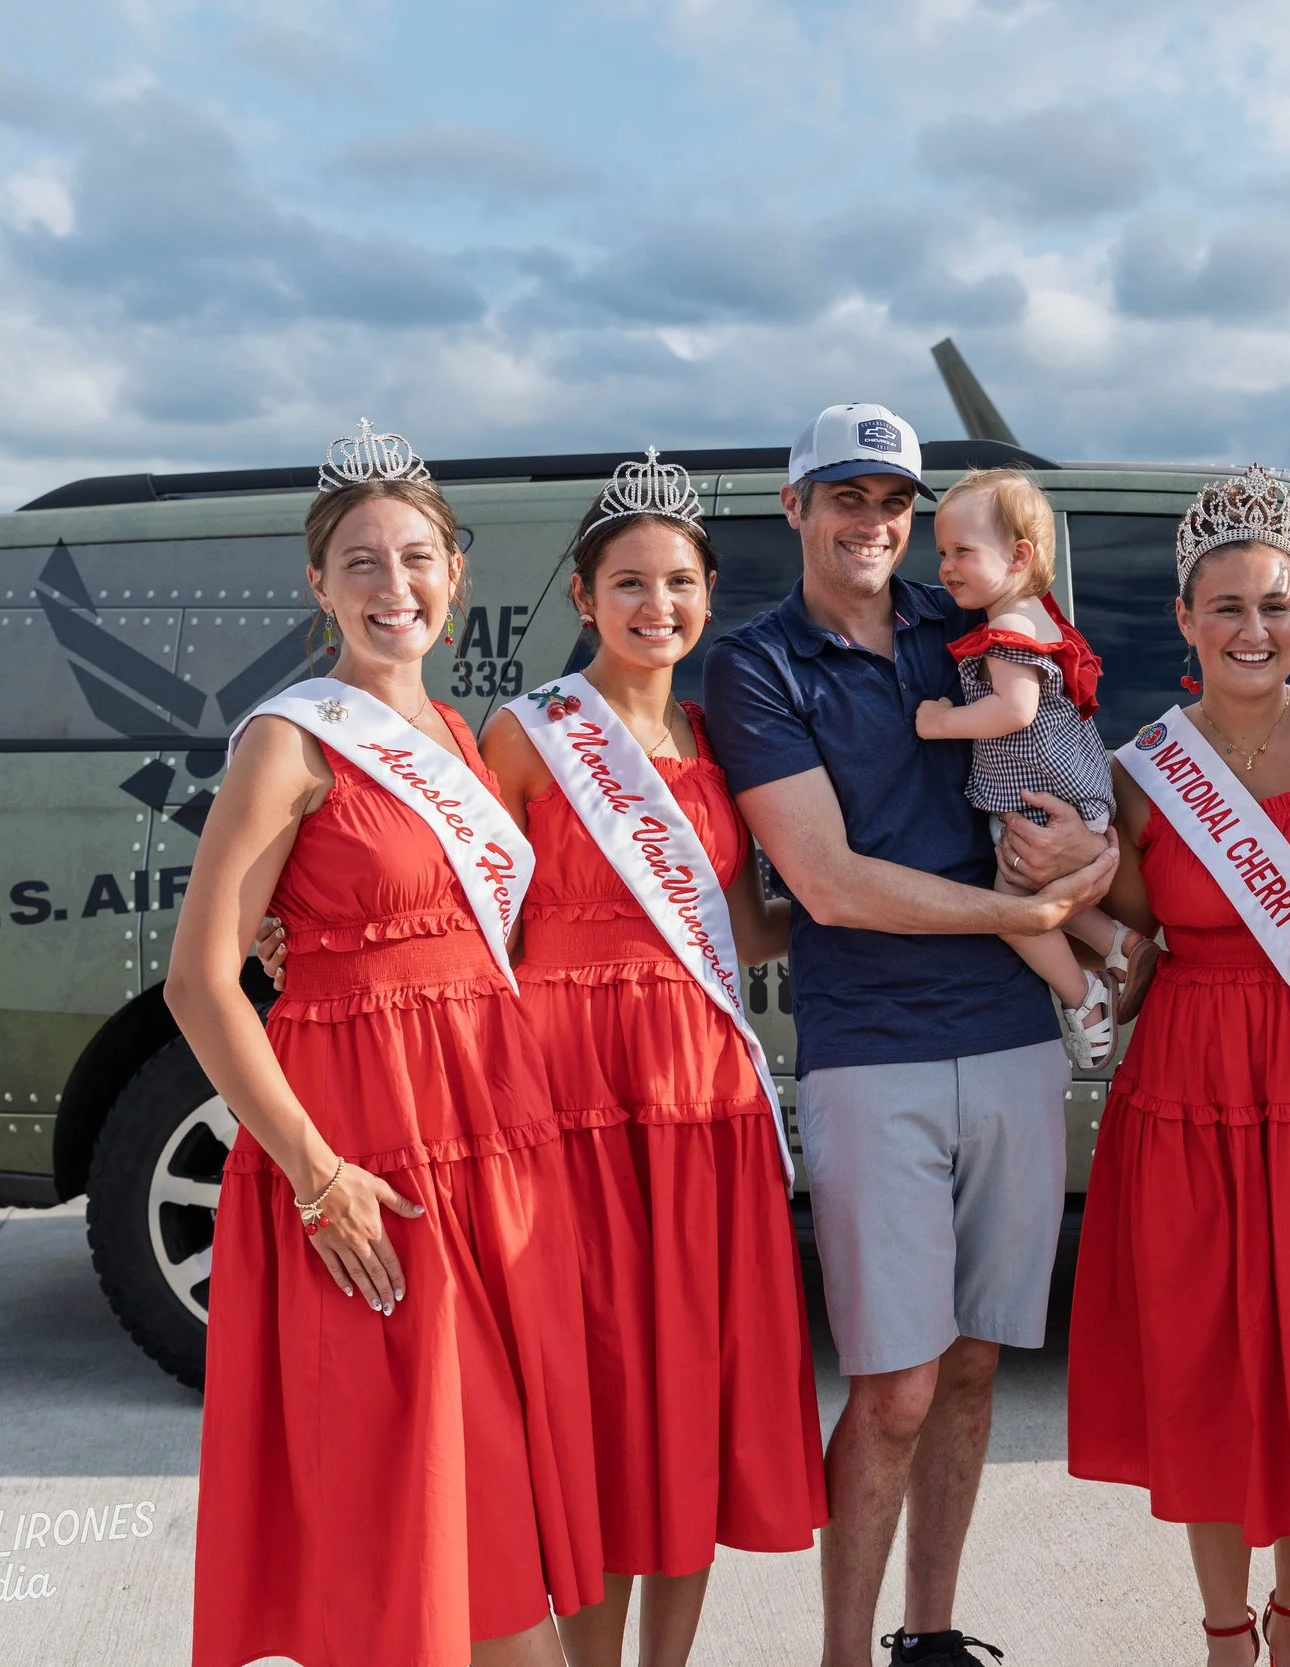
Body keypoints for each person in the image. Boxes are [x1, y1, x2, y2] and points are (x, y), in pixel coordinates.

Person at [169, 423, 604, 1667]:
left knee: (491, 1504)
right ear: (319, 586)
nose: (392, 584)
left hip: (490, 1140)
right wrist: (316, 1174)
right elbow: (201, 981)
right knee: (401, 1501)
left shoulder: (462, 744)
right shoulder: (286, 739)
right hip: (366, 1160)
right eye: (360, 562)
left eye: (416, 556)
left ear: (456, 570)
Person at [700, 402, 1117, 1667]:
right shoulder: (755, 665)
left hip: (1008, 1034)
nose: (872, 521)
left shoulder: (967, 628)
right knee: (894, 1386)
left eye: (893, 501)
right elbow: (825, 883)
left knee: (977, 1366)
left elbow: (1071, 761)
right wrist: (1025, 909)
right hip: (870, 1045)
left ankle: (926, 1636)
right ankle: (840, 1651)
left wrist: (1091, 853)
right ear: (795, 508)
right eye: (846, 496)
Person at [478, 451, 828, 1667]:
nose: (655, 607)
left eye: (678, 583)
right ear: (585, 597)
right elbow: (473, 926)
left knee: (688, 1392)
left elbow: (740, 928)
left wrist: (880, 920)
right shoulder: (526, 737)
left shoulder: (717, 738)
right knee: (599, 1402)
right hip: (573, 1092)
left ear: (708, 593)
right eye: (629, 583)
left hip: (701, 1093)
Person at [1067, 467, 1290, 1667]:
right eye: (1225, 607)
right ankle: (1225, 1630)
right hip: (1189, 1089)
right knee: (1205, 1360)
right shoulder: (1144, 766)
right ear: (1184, 619)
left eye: (1274, 604)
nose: (1252, 630)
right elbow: (1128, 943)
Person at [913, 466, 1157, 1065]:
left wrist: (941, 722)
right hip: (1070, 784)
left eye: (962, 551)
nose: (945, 566)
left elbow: (1015, 710)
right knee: (1046, 886)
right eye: (942, 551)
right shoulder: (1039, 615)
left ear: (1018, 555)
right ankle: (1120, 943)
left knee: (1011, 904)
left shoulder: (1008, 627)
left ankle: (1083, 996)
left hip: (1036, 791)